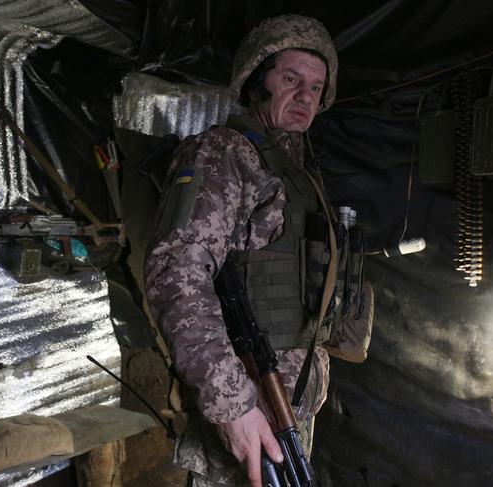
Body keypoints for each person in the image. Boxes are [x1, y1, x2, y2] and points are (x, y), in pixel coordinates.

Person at [145, 14, 343, 487]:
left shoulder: (299, 171)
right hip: (245, 409)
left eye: (315, 87)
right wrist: (232, 405)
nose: (304, 96)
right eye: (290, 79)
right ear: (258, 83)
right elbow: (176, 273)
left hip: (290, 409)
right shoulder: (223, 154)